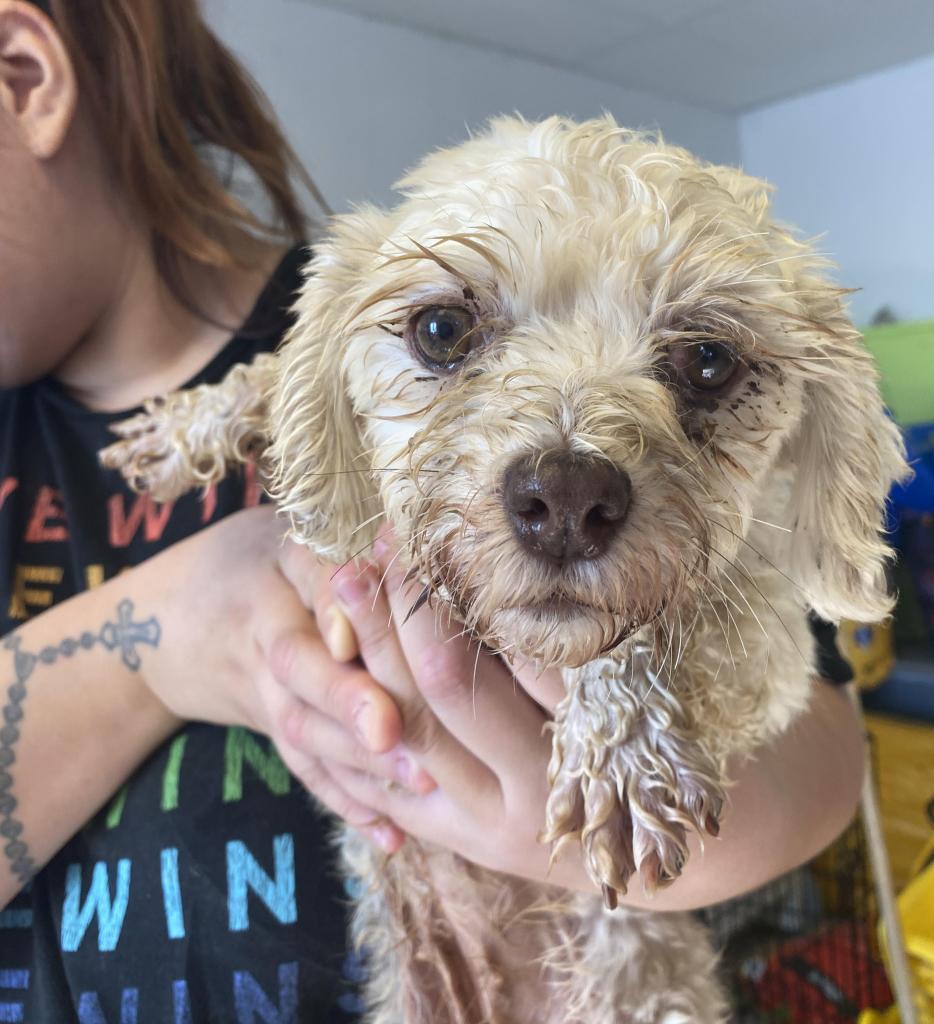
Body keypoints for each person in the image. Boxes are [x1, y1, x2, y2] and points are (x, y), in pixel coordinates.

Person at [0, 1, 867, 1020]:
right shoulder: (342, 343)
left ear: (25, 76)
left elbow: (825, 741)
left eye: (702, 363)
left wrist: (654, 790)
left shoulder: (362, 311)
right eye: (450, 334)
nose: (568, 489)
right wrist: (164, 633)